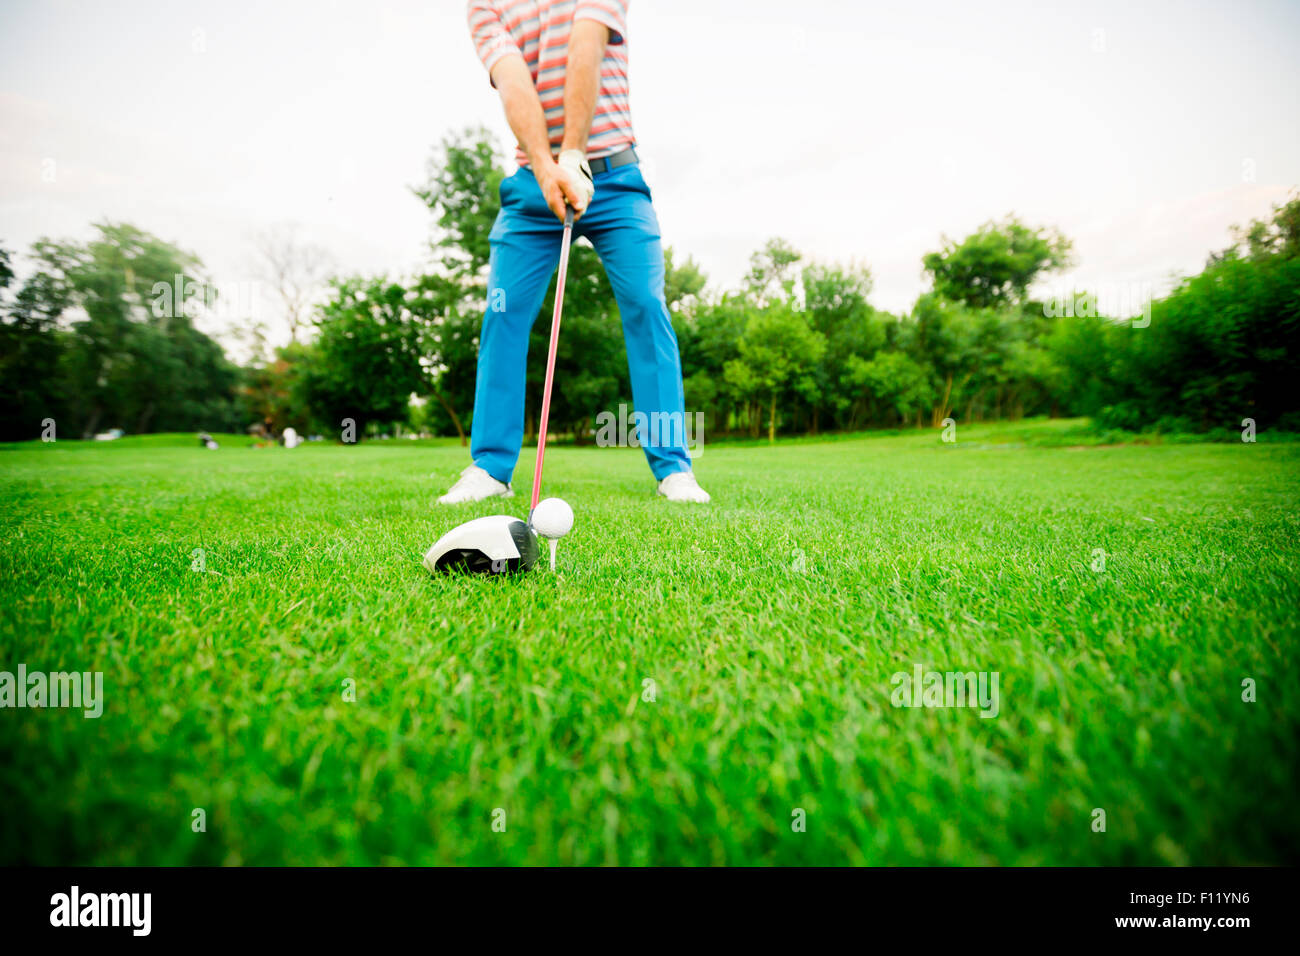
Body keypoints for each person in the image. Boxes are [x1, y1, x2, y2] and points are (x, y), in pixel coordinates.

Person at [439, 0, 710, 505]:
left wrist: (574, 154)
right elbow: (514, 79)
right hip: (532, 187)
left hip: (616, 179)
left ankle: (673, 467)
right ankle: (491, 468)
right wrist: (546, 167)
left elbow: (586, 46)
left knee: (647, 308)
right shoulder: (485, 6)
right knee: (502, 311)